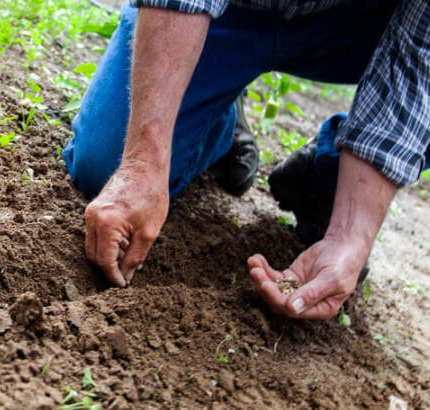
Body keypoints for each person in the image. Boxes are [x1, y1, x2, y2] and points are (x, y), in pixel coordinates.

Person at [62, 0, 429, 320]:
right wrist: (142, 165)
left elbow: (419, 62)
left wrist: (350, 235)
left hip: (361, 24)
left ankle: (328, 176)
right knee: (105, 164)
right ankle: (219, 112)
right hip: (232, 11)